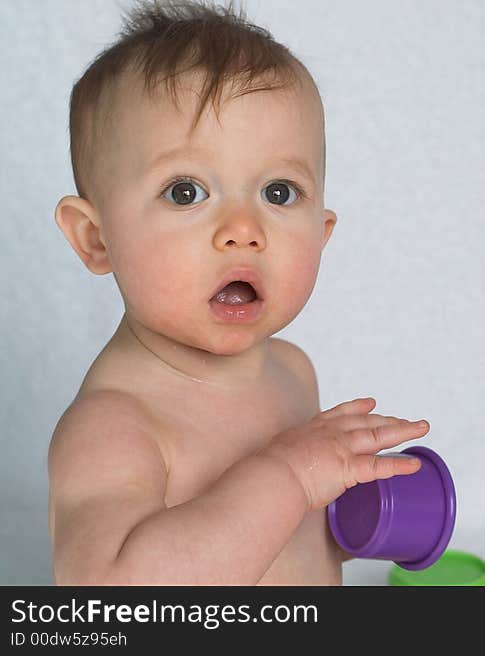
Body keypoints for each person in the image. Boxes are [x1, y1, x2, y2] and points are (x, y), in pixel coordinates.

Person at [49, 0, 429, 585]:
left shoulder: (293, 372)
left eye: (279, 193)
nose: (244, 231)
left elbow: (275, 542)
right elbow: (116, 599)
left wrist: (351, 516)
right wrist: (290, 476)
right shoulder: (114, 425)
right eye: (185, 192)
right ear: (97, 239)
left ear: (321, 234)